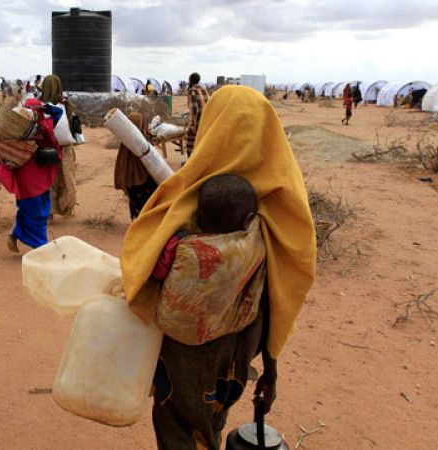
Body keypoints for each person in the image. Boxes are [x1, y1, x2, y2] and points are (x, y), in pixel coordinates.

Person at [121, 86, 316, 450]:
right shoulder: (282, 208)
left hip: (183, 353)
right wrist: (270, 368)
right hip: (242, 349)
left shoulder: (187, 197)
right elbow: (284, 292)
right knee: (214, 416)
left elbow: (140, 261)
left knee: (176, 423)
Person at [0, 98, 63, 252]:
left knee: (28, 207)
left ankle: (15, 235)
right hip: (34, 176)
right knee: (38, 211)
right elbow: (59, 114)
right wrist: (47, 107)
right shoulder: (41, 126)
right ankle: (40, 247)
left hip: (21, 174)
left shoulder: (14, 130)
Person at [41, 74, 77, 218]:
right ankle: (67, 208)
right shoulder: (65, 104)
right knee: (68, 179)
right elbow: (73, 123)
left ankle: (50, 212)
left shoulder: (39, 104)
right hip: (65, 148)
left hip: (46, 149)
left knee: (49, 180)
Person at [113, 112, 158, 220]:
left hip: (131, 183)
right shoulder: (144, 142)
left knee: (134, 204)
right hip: (145, 182)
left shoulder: (125, 144)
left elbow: (121, 166)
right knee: (147, 203)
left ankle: (136, 221)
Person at [185, 72, 209, 157]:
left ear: (190, 80)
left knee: (190, 142)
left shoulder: (192, 91)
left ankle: (191, 162)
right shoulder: (204, 89)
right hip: (205, 120)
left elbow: (194, 109)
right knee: (201, 142)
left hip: (197, 122)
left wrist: (192, 125)